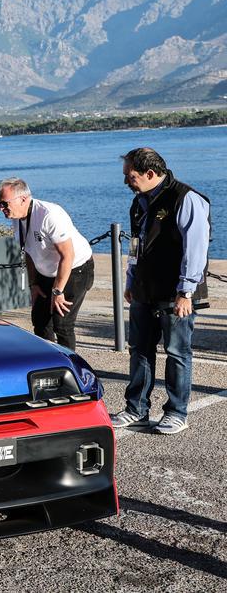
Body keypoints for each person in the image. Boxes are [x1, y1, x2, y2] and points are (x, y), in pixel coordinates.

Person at [110, 147, 211, 435]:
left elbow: (196, 248)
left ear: (150, 173)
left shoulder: (185, 198)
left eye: (130, 176)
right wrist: (131, 279)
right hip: (144, 288)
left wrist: (186, 291)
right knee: (139, 350)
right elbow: (136, 245)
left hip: (175, 292)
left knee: (177, 352)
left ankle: (177, 412)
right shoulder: (138, 202)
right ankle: (136, 409)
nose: (126, 181)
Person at [0, 177, 94, 351]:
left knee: (62, 324)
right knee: (40, 321)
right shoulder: (17, 216)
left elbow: (67, 255)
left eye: (4, 203)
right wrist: (34, 284)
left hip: (75, 269)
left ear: (23, 199)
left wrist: (57, 291)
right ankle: (48, 363)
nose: (0, 208)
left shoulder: (49, 215)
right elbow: (28, 251)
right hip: (46, 272)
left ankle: (70, 368)